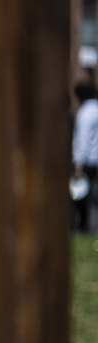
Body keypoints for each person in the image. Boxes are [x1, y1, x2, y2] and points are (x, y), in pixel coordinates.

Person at [75, 81, 98, 232]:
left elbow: (82, 139)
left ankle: (83, 226)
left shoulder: (84, 113)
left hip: (88, 159)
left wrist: (78, 163)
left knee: (82, 195)